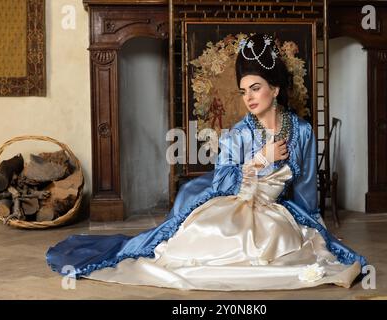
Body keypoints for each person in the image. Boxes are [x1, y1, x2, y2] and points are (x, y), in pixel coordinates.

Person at [46, 34, 366, 290]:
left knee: (291, 251)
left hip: (279, 213)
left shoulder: (303, 131)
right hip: (235, 205)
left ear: (276, 88)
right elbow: (223, 182)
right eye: (243, 91)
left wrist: (316, 228)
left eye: (256, 87)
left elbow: (306, 189)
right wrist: (258, 159)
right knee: (207, 243)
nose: (249, 98)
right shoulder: (238, 134)